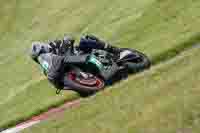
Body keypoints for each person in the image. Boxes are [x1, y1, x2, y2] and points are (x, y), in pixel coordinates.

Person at [30, 35, 120, 91]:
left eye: (41, 52)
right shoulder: (46, 69)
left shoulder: (54, 45)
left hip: (78, 54)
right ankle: (86, 85)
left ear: (43, 47)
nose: (40, 57)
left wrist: (66, 44)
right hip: (73, 68)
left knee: (85, 40)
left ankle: (114, 50)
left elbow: (69, 39)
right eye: (36, 59)